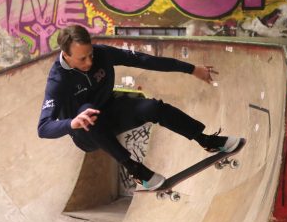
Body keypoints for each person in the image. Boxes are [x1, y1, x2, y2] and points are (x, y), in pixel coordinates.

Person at [37, 24, 240, 191]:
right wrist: (72, 123)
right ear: (66, 54)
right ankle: (134, 168)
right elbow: (43, 128)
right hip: (86, 133)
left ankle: (206, 140)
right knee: (88, 111)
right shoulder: (58, 81)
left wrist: (192, 69)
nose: (90, 61)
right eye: (82, 59)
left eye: (90, 54)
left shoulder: (102, 54)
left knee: (153, 108)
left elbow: (144, 60)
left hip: (112, 112)